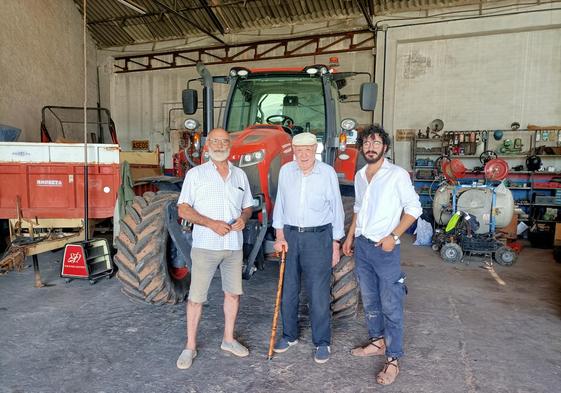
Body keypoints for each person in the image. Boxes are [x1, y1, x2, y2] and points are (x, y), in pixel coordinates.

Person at [342, 124, 421, 385]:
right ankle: (377, 342)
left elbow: (414, 209)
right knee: (370, 299)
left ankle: (393, 358)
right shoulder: (361, 175)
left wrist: (394, 236)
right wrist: (351, 236)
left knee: (391, 304)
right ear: (361, 147)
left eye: (376, 143)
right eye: (366, 143)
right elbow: (358, 208)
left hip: (385, 249)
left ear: (385, 147)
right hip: (363, 246)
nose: (370, 147)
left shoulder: (397, 175)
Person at [176, 128, 254, 369]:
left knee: (233, 293)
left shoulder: (240, 175)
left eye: (224, 141)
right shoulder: (196, 174)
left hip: (233, 245)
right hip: (206, 246)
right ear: (207, 145)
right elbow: (183, 209)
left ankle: (228, 340)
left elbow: (248, 206)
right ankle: (190, 346)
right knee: (196, 297)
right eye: (215, 141)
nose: (220, 145)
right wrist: (210, 223)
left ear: (230, 144)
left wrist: (244, 218)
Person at [272, 132, 345, 364]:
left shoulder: (327, 173)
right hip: (291, 235)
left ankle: (322, 341)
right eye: (298, 150)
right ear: (293, 151)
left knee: (318, 292)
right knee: (288, 289)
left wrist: (335, 243)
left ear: (316, 150)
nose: (303, 154)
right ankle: (289, 335)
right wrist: (279, 235)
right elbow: (280, 205)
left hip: (318, 237)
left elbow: (337, 208)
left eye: (308, 149)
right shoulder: (286, 171)